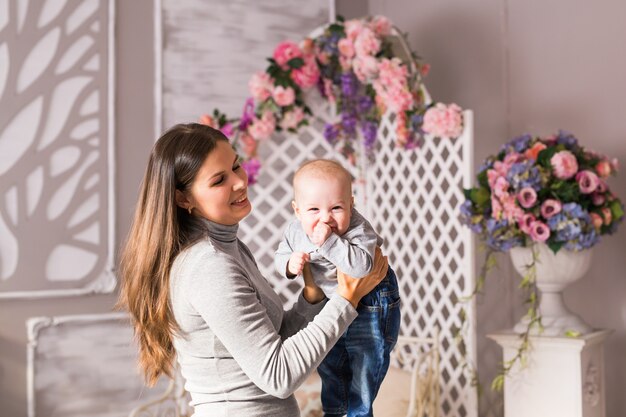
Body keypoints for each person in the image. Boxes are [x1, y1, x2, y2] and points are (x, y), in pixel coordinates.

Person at [116, 123, 389, 417]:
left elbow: (275, 340)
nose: (239, 182)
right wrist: (346, 299)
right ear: (184, 199)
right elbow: (278, 376)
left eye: (236, 166)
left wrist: (312, 297)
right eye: (219, 180)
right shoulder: (209, 266)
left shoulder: (229, 250)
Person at [275, 159, 401, 417]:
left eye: (336, 208)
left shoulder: (357, 228)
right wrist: (290, 264)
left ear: (351, 204)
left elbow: (362, 268)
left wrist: (330, 242)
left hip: (371, 301)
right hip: (334, 303)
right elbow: (281, 254)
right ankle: (336, 412)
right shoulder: (295, 231)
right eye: (314, 210)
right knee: (330, 365)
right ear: (297, 211)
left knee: (364, 364)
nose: (325, 218)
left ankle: (358, 413)